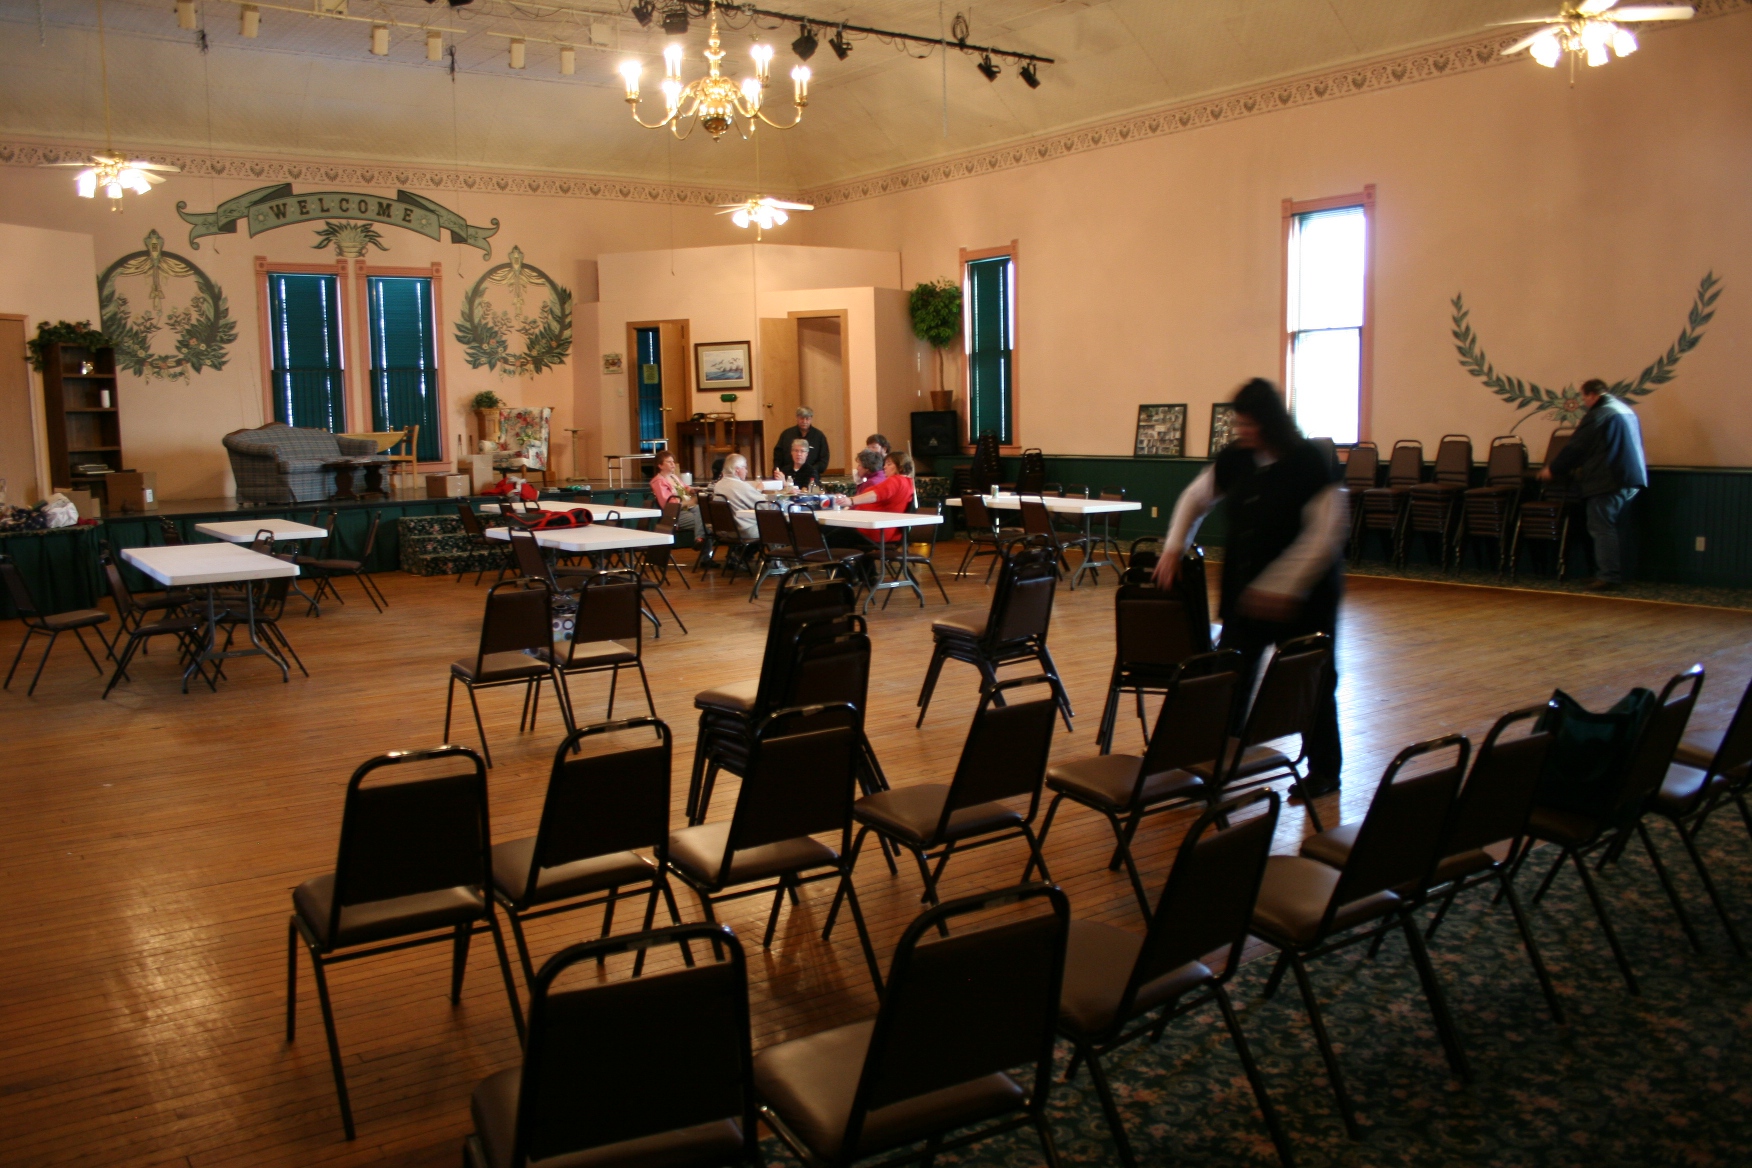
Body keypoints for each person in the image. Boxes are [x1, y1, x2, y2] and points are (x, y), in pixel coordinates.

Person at [1152, 378, 1348, 796]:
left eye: (1249, 424)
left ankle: (1325, 773)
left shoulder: (1308, 461)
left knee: (1312, 682)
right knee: (1230, 678)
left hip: (1307, 600)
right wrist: (1173, 548)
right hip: (1247, 598)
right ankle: (1217, 764)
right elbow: (1194, 498)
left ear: (1270, 422)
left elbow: (1324, 535)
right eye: (1238, 423)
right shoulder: (1237, 459)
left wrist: (1282, 586)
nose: (1242, 431)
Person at [1539, 378, 1648, 591]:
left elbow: (1577, 447)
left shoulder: (1599, 414)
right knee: (1617, 528)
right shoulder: (1626, 410)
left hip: (1608, 478)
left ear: (1592, 395)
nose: (1584, 403)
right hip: (1632, 478)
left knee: (1601, 527)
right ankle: (1619, 573)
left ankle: (1608, 576)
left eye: (1584, 398)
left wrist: (1553, 469)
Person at [648, 450, 701, 546]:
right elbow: (669, 505)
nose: (673, 464)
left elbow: (685, 488)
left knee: (707, 515)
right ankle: (701, 541)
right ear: (660, 465)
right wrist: (688, 502)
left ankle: (700, 540)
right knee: (706, 523)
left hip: (690, 509)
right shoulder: (658, 482)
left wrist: (692, 490)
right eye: (669, 462)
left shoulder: (674, 477)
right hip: (676, 514)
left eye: (673, 461)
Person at [713, 453, 766, 539]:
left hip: (726, 530)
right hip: (745, 530)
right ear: (737, 469)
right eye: (745, 467)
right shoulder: (741, 486)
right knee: (779, 526)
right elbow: (764, 505)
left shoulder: (718, 485)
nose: (746, 471)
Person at [772, 407, 827, 484]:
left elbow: (823, 459)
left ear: (811, 419)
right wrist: (778, 471)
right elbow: (778, 457)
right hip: (787, 474)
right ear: (797, 418)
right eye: (801, 418)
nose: (804, 421)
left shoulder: (819, 436)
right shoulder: (787, 434)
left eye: (807, 419)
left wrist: (811, 470)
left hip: (810, 475)